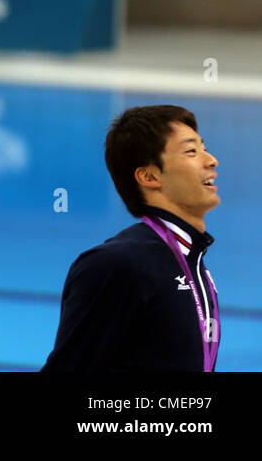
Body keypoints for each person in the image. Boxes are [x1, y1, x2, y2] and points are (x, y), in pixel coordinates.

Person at [43, 105, 220, 372]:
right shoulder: (118, 264)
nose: (211, 160)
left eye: (204, 147)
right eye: (191, 151)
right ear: (149, 176)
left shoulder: (191, 261)